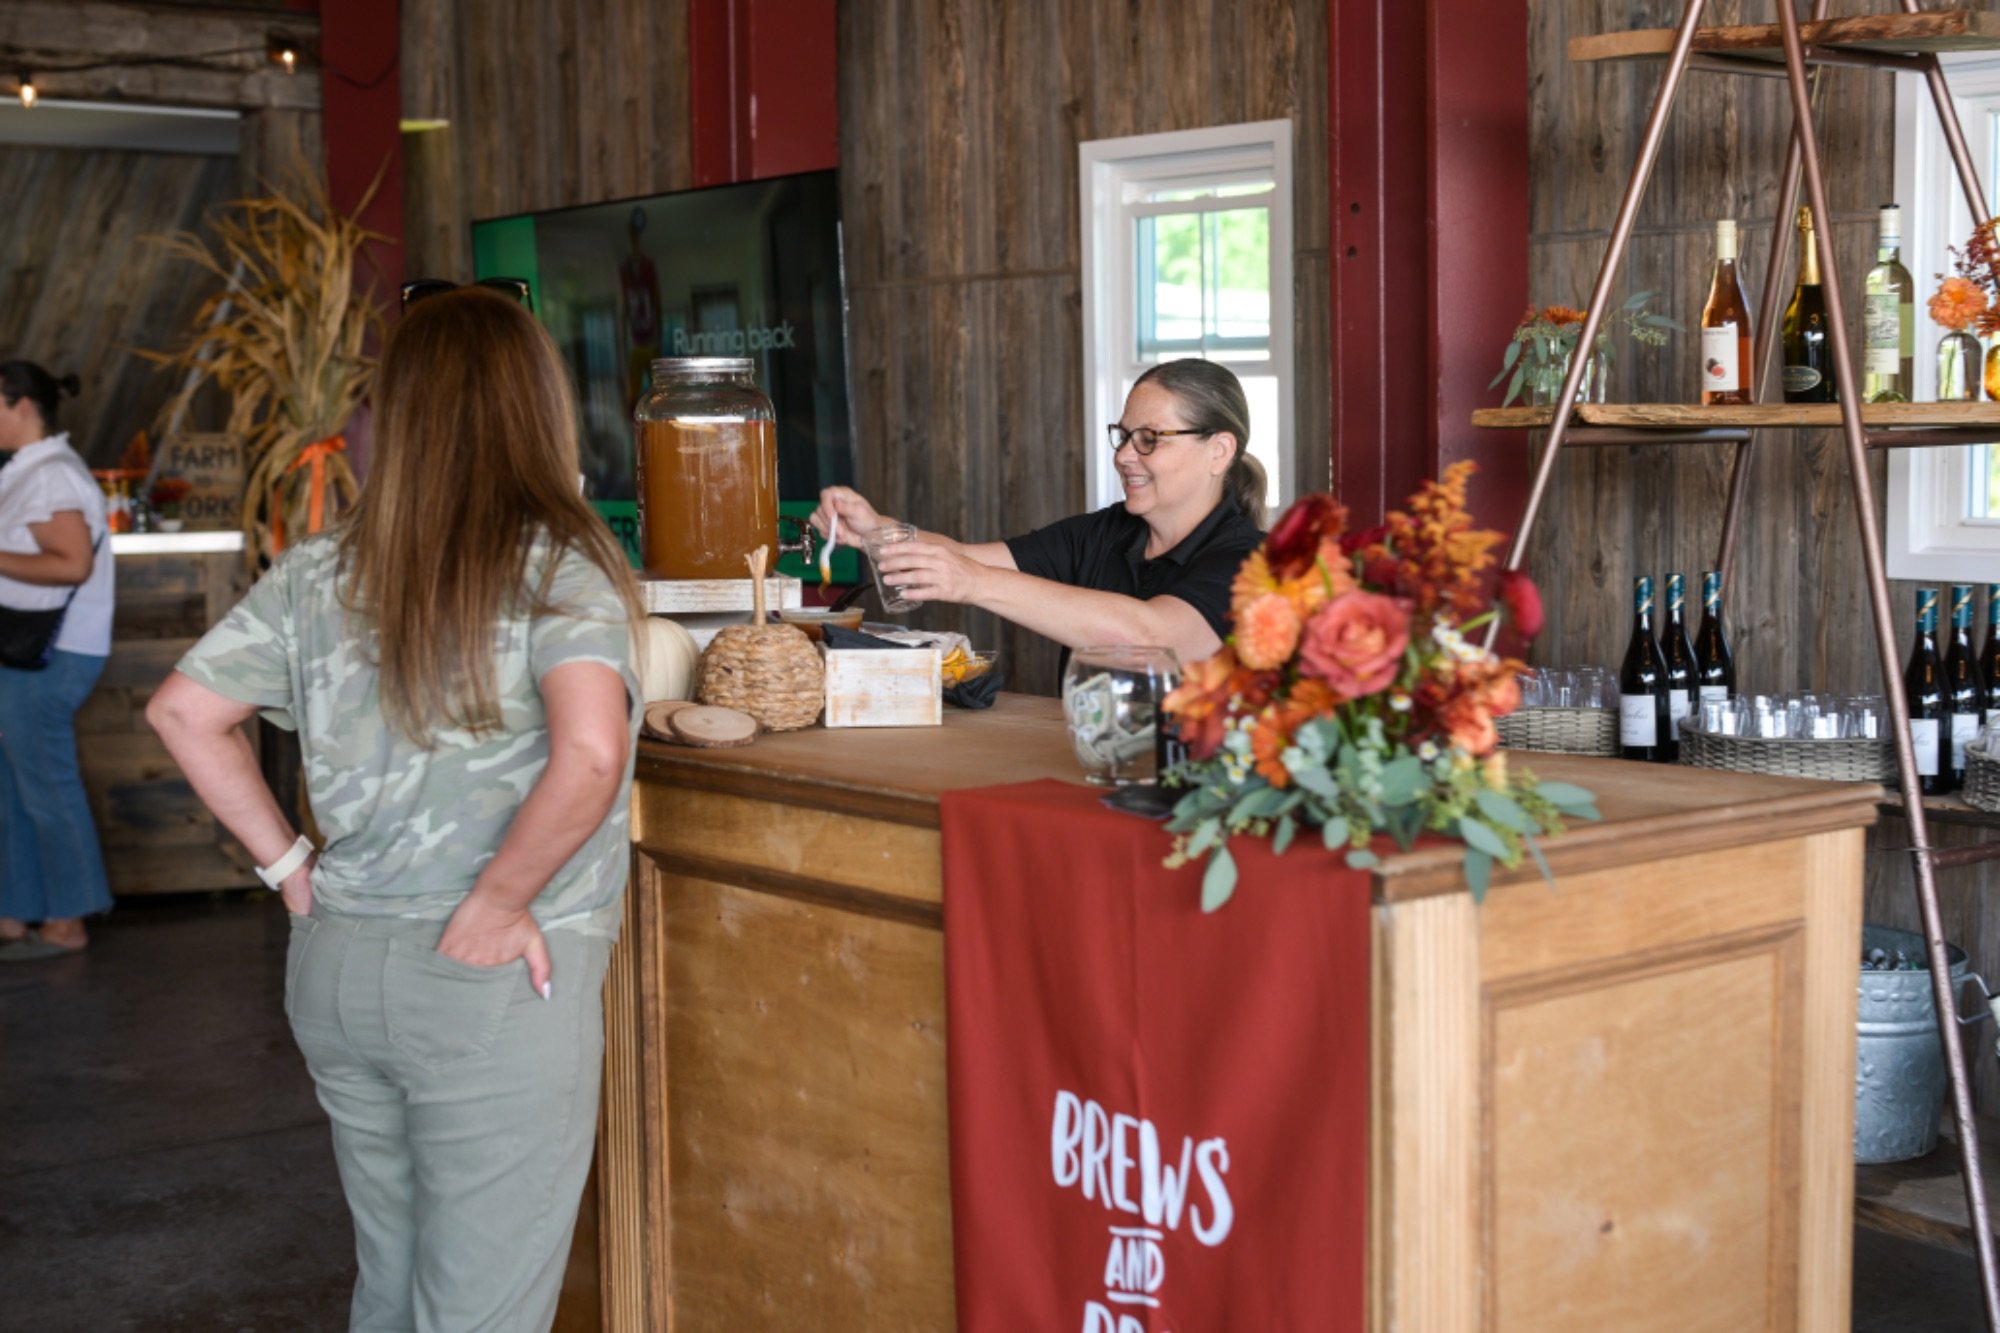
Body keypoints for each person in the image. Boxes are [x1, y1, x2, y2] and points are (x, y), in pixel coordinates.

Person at [147, 287, 643, 1331]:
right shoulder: (558, 565)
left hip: (336, 965)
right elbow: (593, 751)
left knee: (392, 1288)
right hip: (487, 978)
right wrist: (502, 900)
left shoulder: (318, 567)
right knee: (478, 1311)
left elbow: (185, 712)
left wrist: (290, 868)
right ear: (538, 408)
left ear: (399, 417)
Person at [811, 358, 1266, 668]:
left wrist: (975, 583)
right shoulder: (1106, 532)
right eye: (1124, 436)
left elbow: (1151, 637)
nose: (1124, 455)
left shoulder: (1255, 564)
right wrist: (875, 530)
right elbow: (965, 556)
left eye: (1149, 439)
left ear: (1219, 451)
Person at [0, 362, 114, 961]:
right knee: (15, 784)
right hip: (28, 653)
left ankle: (68, 920)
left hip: (50, 654)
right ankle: (16, 915)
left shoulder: (52, 476)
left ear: (22, 405)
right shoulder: (31, 470)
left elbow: (72, 564)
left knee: (45, 785)